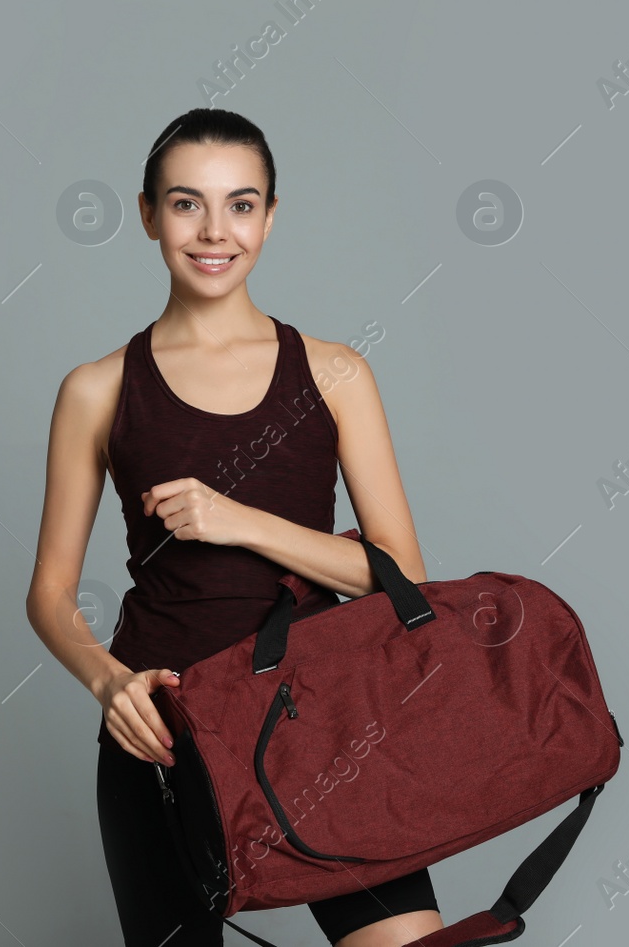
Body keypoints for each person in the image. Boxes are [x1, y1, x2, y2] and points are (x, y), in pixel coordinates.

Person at [26, 108, 445, 946]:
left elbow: (401, 573)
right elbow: (49, 593)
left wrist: (238, 520)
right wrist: (109, 681)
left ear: (271, 215)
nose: (215, 231)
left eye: (241, 204)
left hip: (319, 722)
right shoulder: (97, 389)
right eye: (186, 204)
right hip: (165, 737)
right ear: (147, 214)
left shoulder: (335, 372)